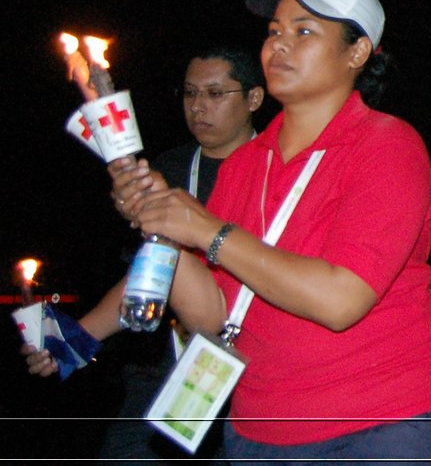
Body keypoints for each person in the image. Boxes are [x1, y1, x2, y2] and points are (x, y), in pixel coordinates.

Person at [112, 0, 431, 463]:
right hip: (260, 429)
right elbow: (213, 314)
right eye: (274, 31)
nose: (279, 45)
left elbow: (341, 298)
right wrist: (165, 228)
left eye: (304, 31)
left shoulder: (387, 146)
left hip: (379, 422)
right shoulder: (244, 166)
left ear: (357, 52)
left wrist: (207, 229)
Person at [23, 47, 265, 461]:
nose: (199, 107)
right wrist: (77, 340)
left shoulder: (280, 167)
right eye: (190, 93)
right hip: (168, 366)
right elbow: (151, 270)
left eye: (215, 93)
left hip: (255, 368)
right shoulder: (166, 170)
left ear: (254, 99)